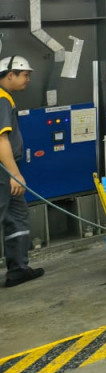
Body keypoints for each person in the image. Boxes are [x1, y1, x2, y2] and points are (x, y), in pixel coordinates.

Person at [0, 56, 45, 288]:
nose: (28, 79)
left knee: (17, 217)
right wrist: (14, 174)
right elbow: (1, 140)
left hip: (7, 169)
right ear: (10, 75)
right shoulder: (1, 99)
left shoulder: (6, 98)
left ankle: (18, 270)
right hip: (4, 171)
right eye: (25, 75)